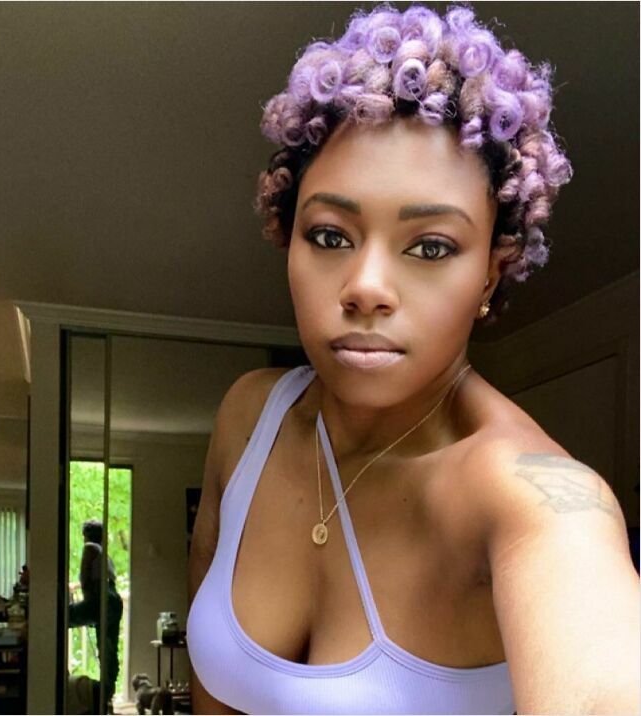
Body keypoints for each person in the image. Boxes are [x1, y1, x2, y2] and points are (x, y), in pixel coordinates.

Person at [186, 4, 640, 714]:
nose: (366, 287)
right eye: (331, 235)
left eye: (430, 246)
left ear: (491, 273)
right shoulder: (250, 418)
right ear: (287, 236)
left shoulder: (533, 502)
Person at [69, 519, 124, 708]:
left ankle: (100, 693)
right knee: (108, 646)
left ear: (87, 536)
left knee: (64, 617)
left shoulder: (90, 548)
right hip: (114, 599)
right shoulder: (105, 554)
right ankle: (107, 692)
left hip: (101, 598)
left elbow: (86, 579)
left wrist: (86, 605)